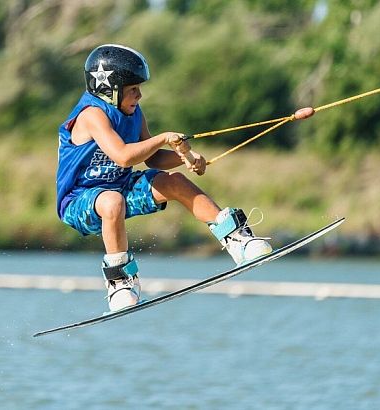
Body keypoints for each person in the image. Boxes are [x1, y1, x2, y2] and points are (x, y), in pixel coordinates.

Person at [56, 44, 272, 312]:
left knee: (174, 182)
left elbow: (152, 158)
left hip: (121, 188)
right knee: (111, 202)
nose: (140, 94)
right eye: (133, 88)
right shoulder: (92, 115)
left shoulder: (134, 113)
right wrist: (164, 138)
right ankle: (120, 283)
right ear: (110, 87)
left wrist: (187, 158)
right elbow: (123, 156)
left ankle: (236, 239)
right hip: (79, 201)